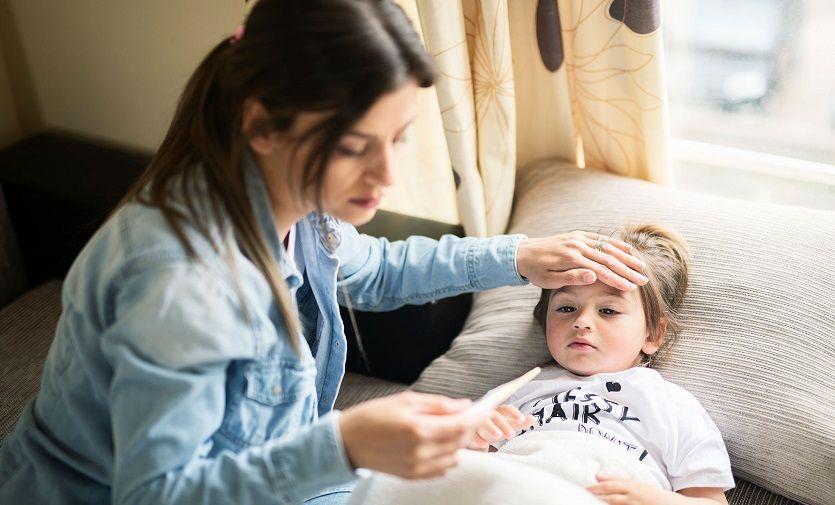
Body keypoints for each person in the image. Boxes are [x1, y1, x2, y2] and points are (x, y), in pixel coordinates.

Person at [0, 1, 648, 503]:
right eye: (353, 147)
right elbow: (156, 494)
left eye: (398, 139)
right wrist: (341, 445)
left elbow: (379, 270)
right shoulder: (179, 284)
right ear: (262, 125)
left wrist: (518, 256)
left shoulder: (298, 208)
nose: (386, 175)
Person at [469, 224, 735, 504]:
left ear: (653, 335)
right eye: (566, 308)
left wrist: (657, 501)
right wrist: (475, 441)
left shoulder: (673, 405)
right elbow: (465, 475)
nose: (582, 321)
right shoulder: (517, 391)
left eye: (608, 311)